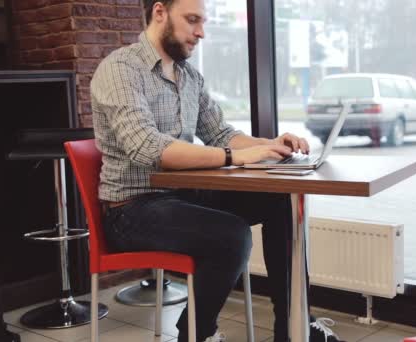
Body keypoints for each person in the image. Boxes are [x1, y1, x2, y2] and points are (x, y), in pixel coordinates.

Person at [90, 0, 345, 341]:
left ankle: (293, 325)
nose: (201, 32)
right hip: (132, 209)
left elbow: (221, 133)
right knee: (231, 236)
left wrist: (269, 145)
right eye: (192, 20)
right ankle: (196, 333)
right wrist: (234, 157)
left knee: (280, 200)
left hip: (181, 196)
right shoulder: (120, 69)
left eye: (203, 22)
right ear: (160, 12)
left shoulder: (188, 75)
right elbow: (148, 147)